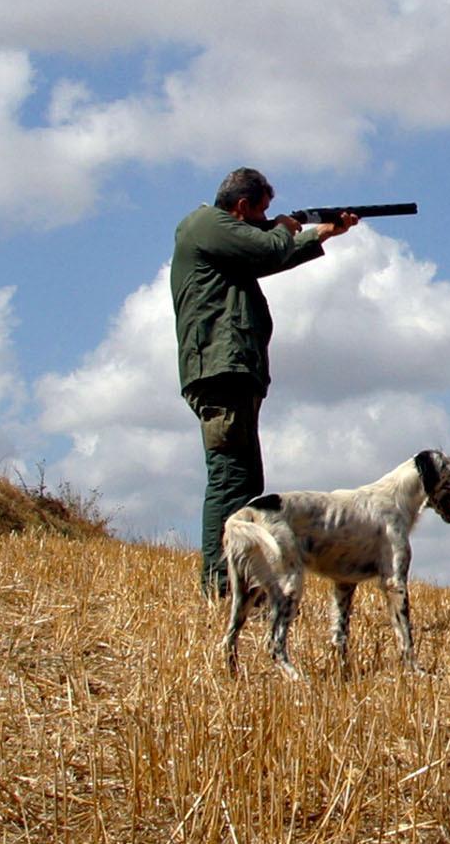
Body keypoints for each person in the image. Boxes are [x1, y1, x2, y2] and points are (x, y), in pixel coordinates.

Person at [171, 167, 357, 598]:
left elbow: (269, 256)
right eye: (261, 211)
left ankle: (238, 580)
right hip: (220, 368)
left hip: (230, 368)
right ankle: (221, 583)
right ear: (242, 206)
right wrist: (294, 229)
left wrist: (322, 234)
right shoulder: (205, 224)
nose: (266, 218)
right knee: (231, 478)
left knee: (245, 481)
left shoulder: (218, 237)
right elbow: (269, 249)